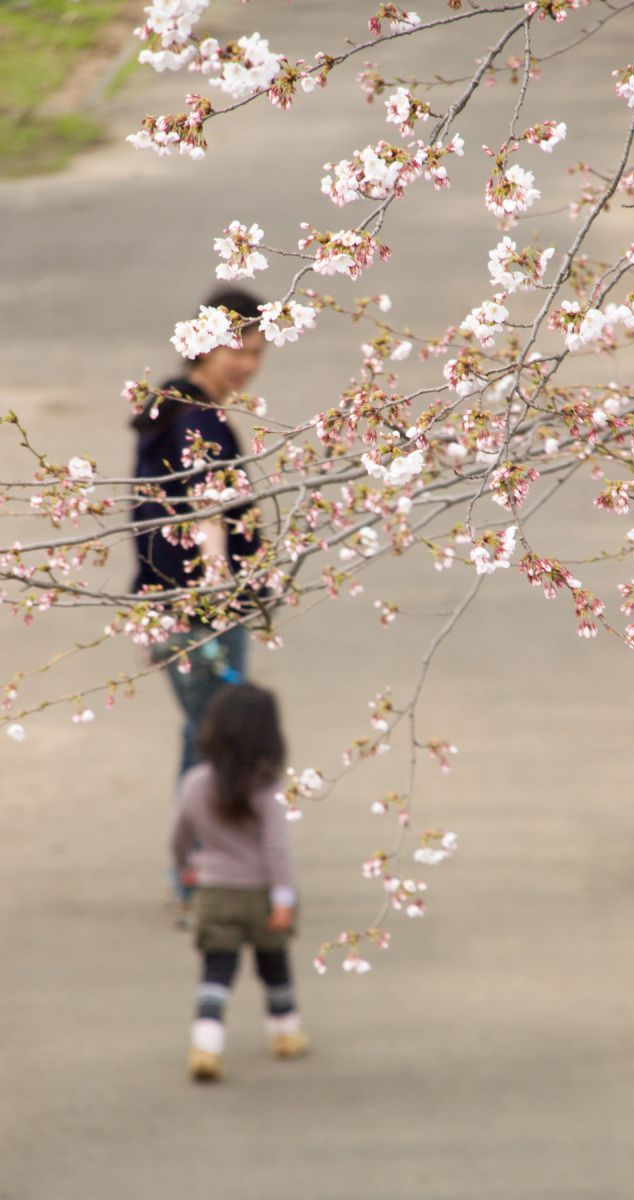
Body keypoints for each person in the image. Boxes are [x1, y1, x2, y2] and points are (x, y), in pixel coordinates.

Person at [131, 287, 266, 777]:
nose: (247, 365)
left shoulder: (168, 408)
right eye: (238, 349)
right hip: (204, 608)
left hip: (171, 600)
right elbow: (209, 497)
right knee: (216, 738)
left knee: (204, 732)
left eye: (256, 353)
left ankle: (195, 850)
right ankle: (197, 852)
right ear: (206, 343)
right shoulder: (200, 420)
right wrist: (216, 579)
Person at [170, 683, 309, 1081]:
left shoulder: (196, 783)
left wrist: (188, 869)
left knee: (217, 970)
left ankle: (206, 1044)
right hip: (262, 894)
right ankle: (285, 1032)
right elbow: (277, 848)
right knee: (274, 964)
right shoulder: (267, 789)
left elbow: (177, 839)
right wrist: (284, 896)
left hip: (215, 893)